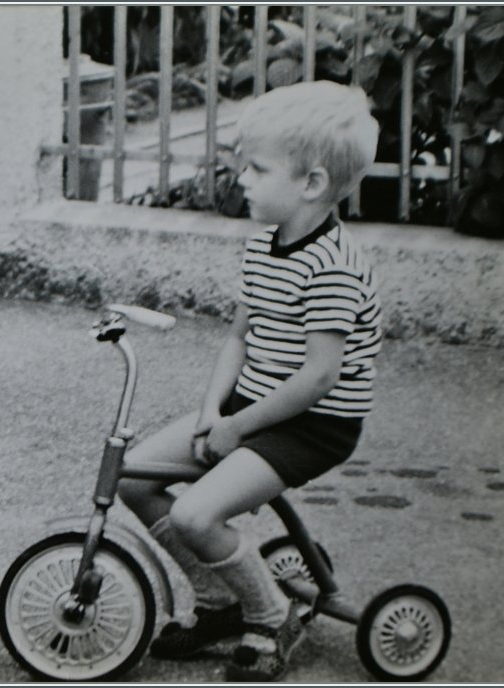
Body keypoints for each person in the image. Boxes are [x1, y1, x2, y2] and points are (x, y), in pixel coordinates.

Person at [118, 80, 382, 682]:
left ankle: (269, 613)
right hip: (249, 407)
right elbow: (239, 336)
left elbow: (318, 379)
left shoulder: (334, 268)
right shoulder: (264, 245)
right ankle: (220, 601)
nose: (241, 178)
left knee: (194, 517)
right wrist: (214, 409)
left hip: (311, 426)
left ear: (311, 184)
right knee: (135, 477)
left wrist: (236, 428)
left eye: (258, 168)